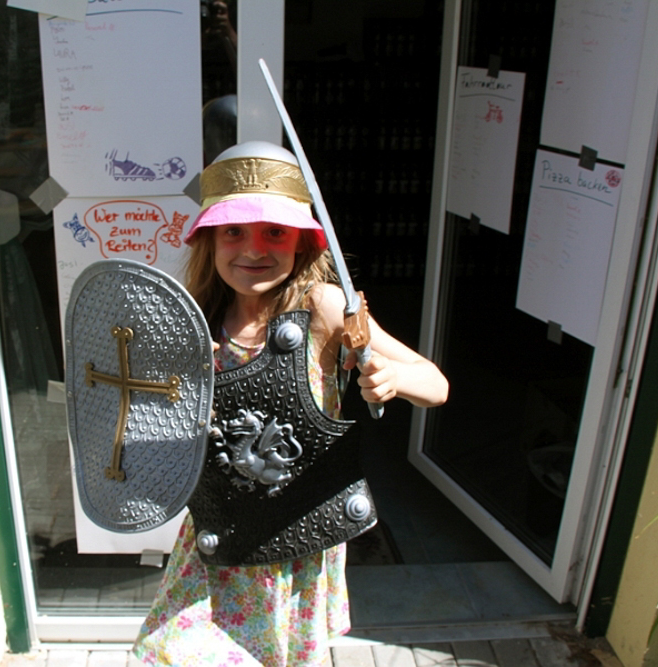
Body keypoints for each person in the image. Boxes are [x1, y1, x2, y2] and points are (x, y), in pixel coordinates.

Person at [132, 141, 448, 666]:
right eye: (234, 231)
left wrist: (392, 377)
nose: (253, 249)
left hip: (294, 537)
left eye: (274, 232)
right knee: (165, 654)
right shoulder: (196, 316)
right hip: (217, 534)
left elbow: (435, 384)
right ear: (210, 239)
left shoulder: (322, 306)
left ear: (302, 242)